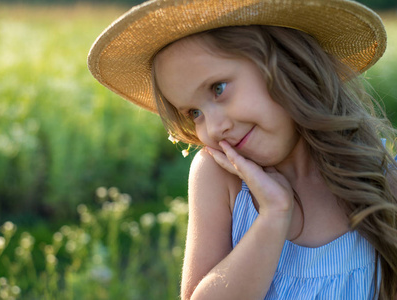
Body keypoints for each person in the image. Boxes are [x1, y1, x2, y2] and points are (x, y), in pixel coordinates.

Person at [88, 0, 397, 299]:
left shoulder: (378, 176)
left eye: (218, 89)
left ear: (289, 63)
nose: (213, 127)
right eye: (194, 113)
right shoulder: (220, 179)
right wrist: (274, 215)